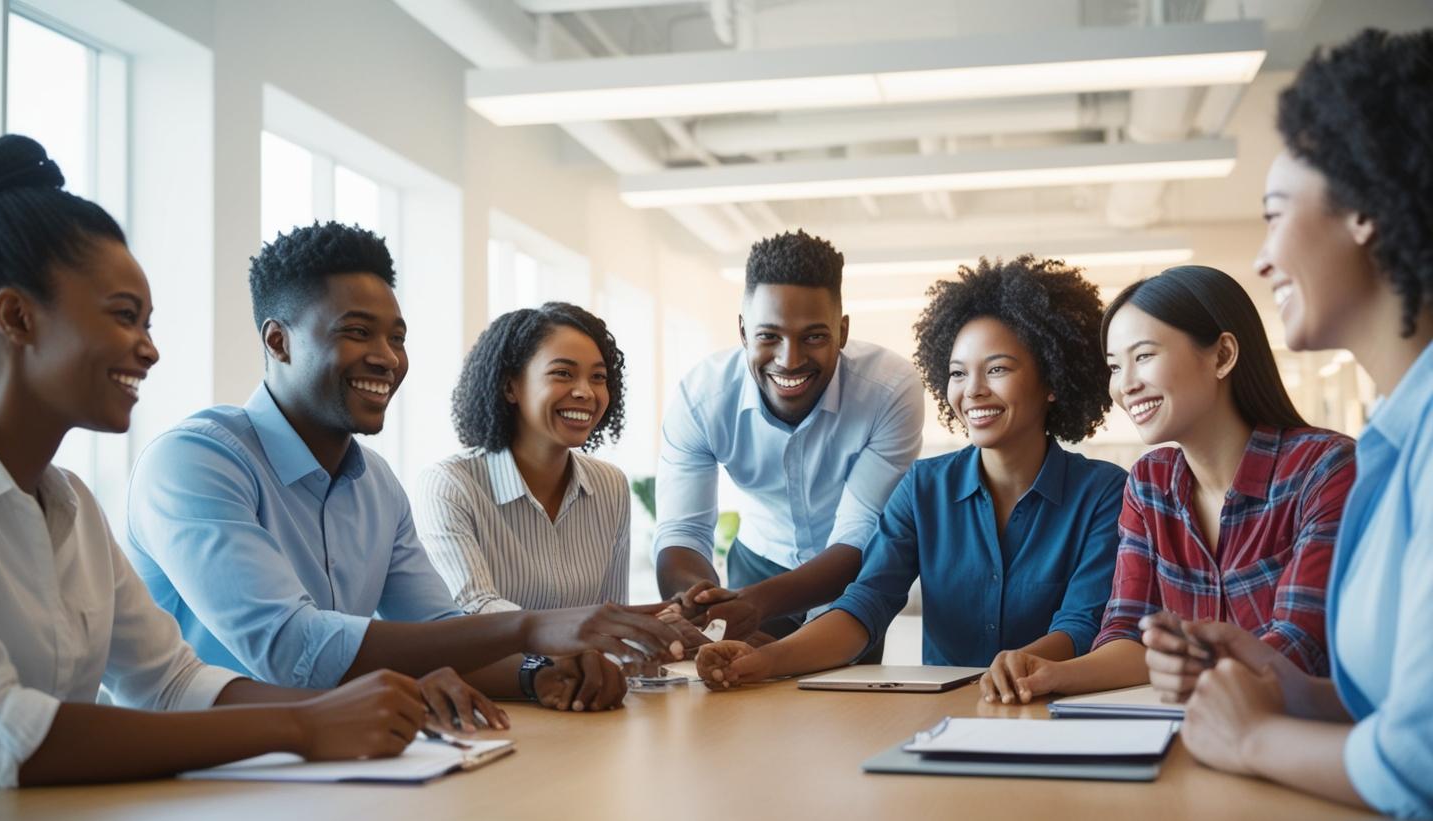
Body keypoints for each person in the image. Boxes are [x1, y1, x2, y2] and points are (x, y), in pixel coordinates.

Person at [0, 135, 429, 792]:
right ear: (16, 317)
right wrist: (302, 727)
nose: (149, 351)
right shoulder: (192, 458)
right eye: (125, 318)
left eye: (149, 323)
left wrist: (346, 713)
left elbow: (171, 680)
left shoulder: (71, 503)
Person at [127, 222, 681, 719]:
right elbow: (289, 648)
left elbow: (438, 634)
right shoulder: (196, 461)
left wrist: (536, 674)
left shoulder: (376, 483)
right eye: (357, 332)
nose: (388, 357)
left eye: (397, 337)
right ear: (279, 341)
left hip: (331, 764)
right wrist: (534, 627)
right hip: (194, 775)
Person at [1142, 29, 1433, 821]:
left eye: (1274, 218)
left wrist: (1252, 739)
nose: (1264, 259)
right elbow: (1396, 706)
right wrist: (1286, 686)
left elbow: (1420, 761)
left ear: (1367, 210)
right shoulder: (1395, 440)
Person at [696, 256, 1127, 688]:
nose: (973, 390)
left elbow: (1081, 624)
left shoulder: (1103, 493)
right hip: (944, 720)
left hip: (1052, 711)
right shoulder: (923, 489)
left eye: (997, 369)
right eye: (958, 373)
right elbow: (865, 606)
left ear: (1052, 379)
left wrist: (1013, 669)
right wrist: (765, 660)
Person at [980, 265, 1354, 704]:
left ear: (1222, 356)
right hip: (1198, 736)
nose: (1126, 385)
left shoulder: (1324, 469)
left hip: (1298, 740)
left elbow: (1300, 647)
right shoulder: (1150, 481)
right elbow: (1128, 632)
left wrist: (1191, 670)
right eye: (1115, 366)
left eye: (1143, 356)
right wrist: (1052, 673)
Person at [655, 230, 924, 657]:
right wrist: (698, 600)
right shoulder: (701, 398)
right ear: (743, 331)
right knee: (744, 703)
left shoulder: (889, 390)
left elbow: (858, 534)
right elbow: (682, 530)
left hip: (849, 572)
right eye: (769, 336)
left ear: (843, 330)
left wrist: (756, 604)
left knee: (845, 703)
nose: (790, 359)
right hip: (758, 560)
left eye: (814, 337)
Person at [413, 302, 631, 613]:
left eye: (598, 377)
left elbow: (612, 613)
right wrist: (579, 640)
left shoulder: (611, 485)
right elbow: (475, 610)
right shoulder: (449, 485)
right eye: (563, 373)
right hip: (488, 664)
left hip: (587, 663)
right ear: (510, 387)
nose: (586, 392)